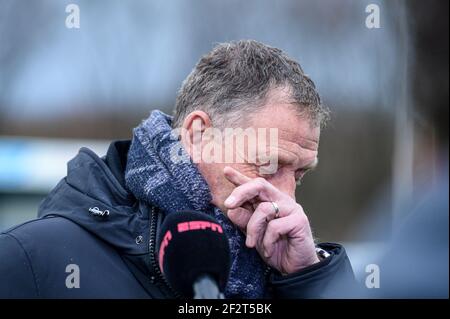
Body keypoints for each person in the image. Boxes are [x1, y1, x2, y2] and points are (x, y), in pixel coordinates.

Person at [0, 40, 354, 298]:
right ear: (199, 135)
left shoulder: (291, 267)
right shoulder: (31, 260)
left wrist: (311, 278)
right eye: (269, 164)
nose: (287, 195)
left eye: (300, 174)